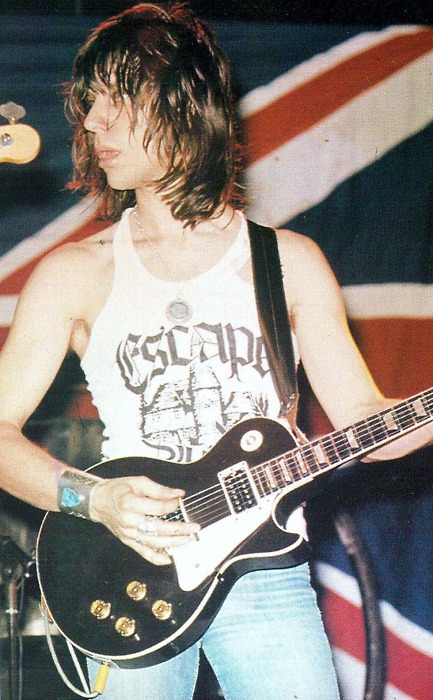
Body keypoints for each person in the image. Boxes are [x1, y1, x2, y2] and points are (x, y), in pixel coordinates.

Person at [0, 3, 431, 699]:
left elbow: (364, 419)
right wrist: (93, 498)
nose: (93, 122)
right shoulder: (75, 272)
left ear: (184, 104)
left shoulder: (290, 262)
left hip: (266, 572)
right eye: (89, 102)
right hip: (128, 567)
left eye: (117, 99)